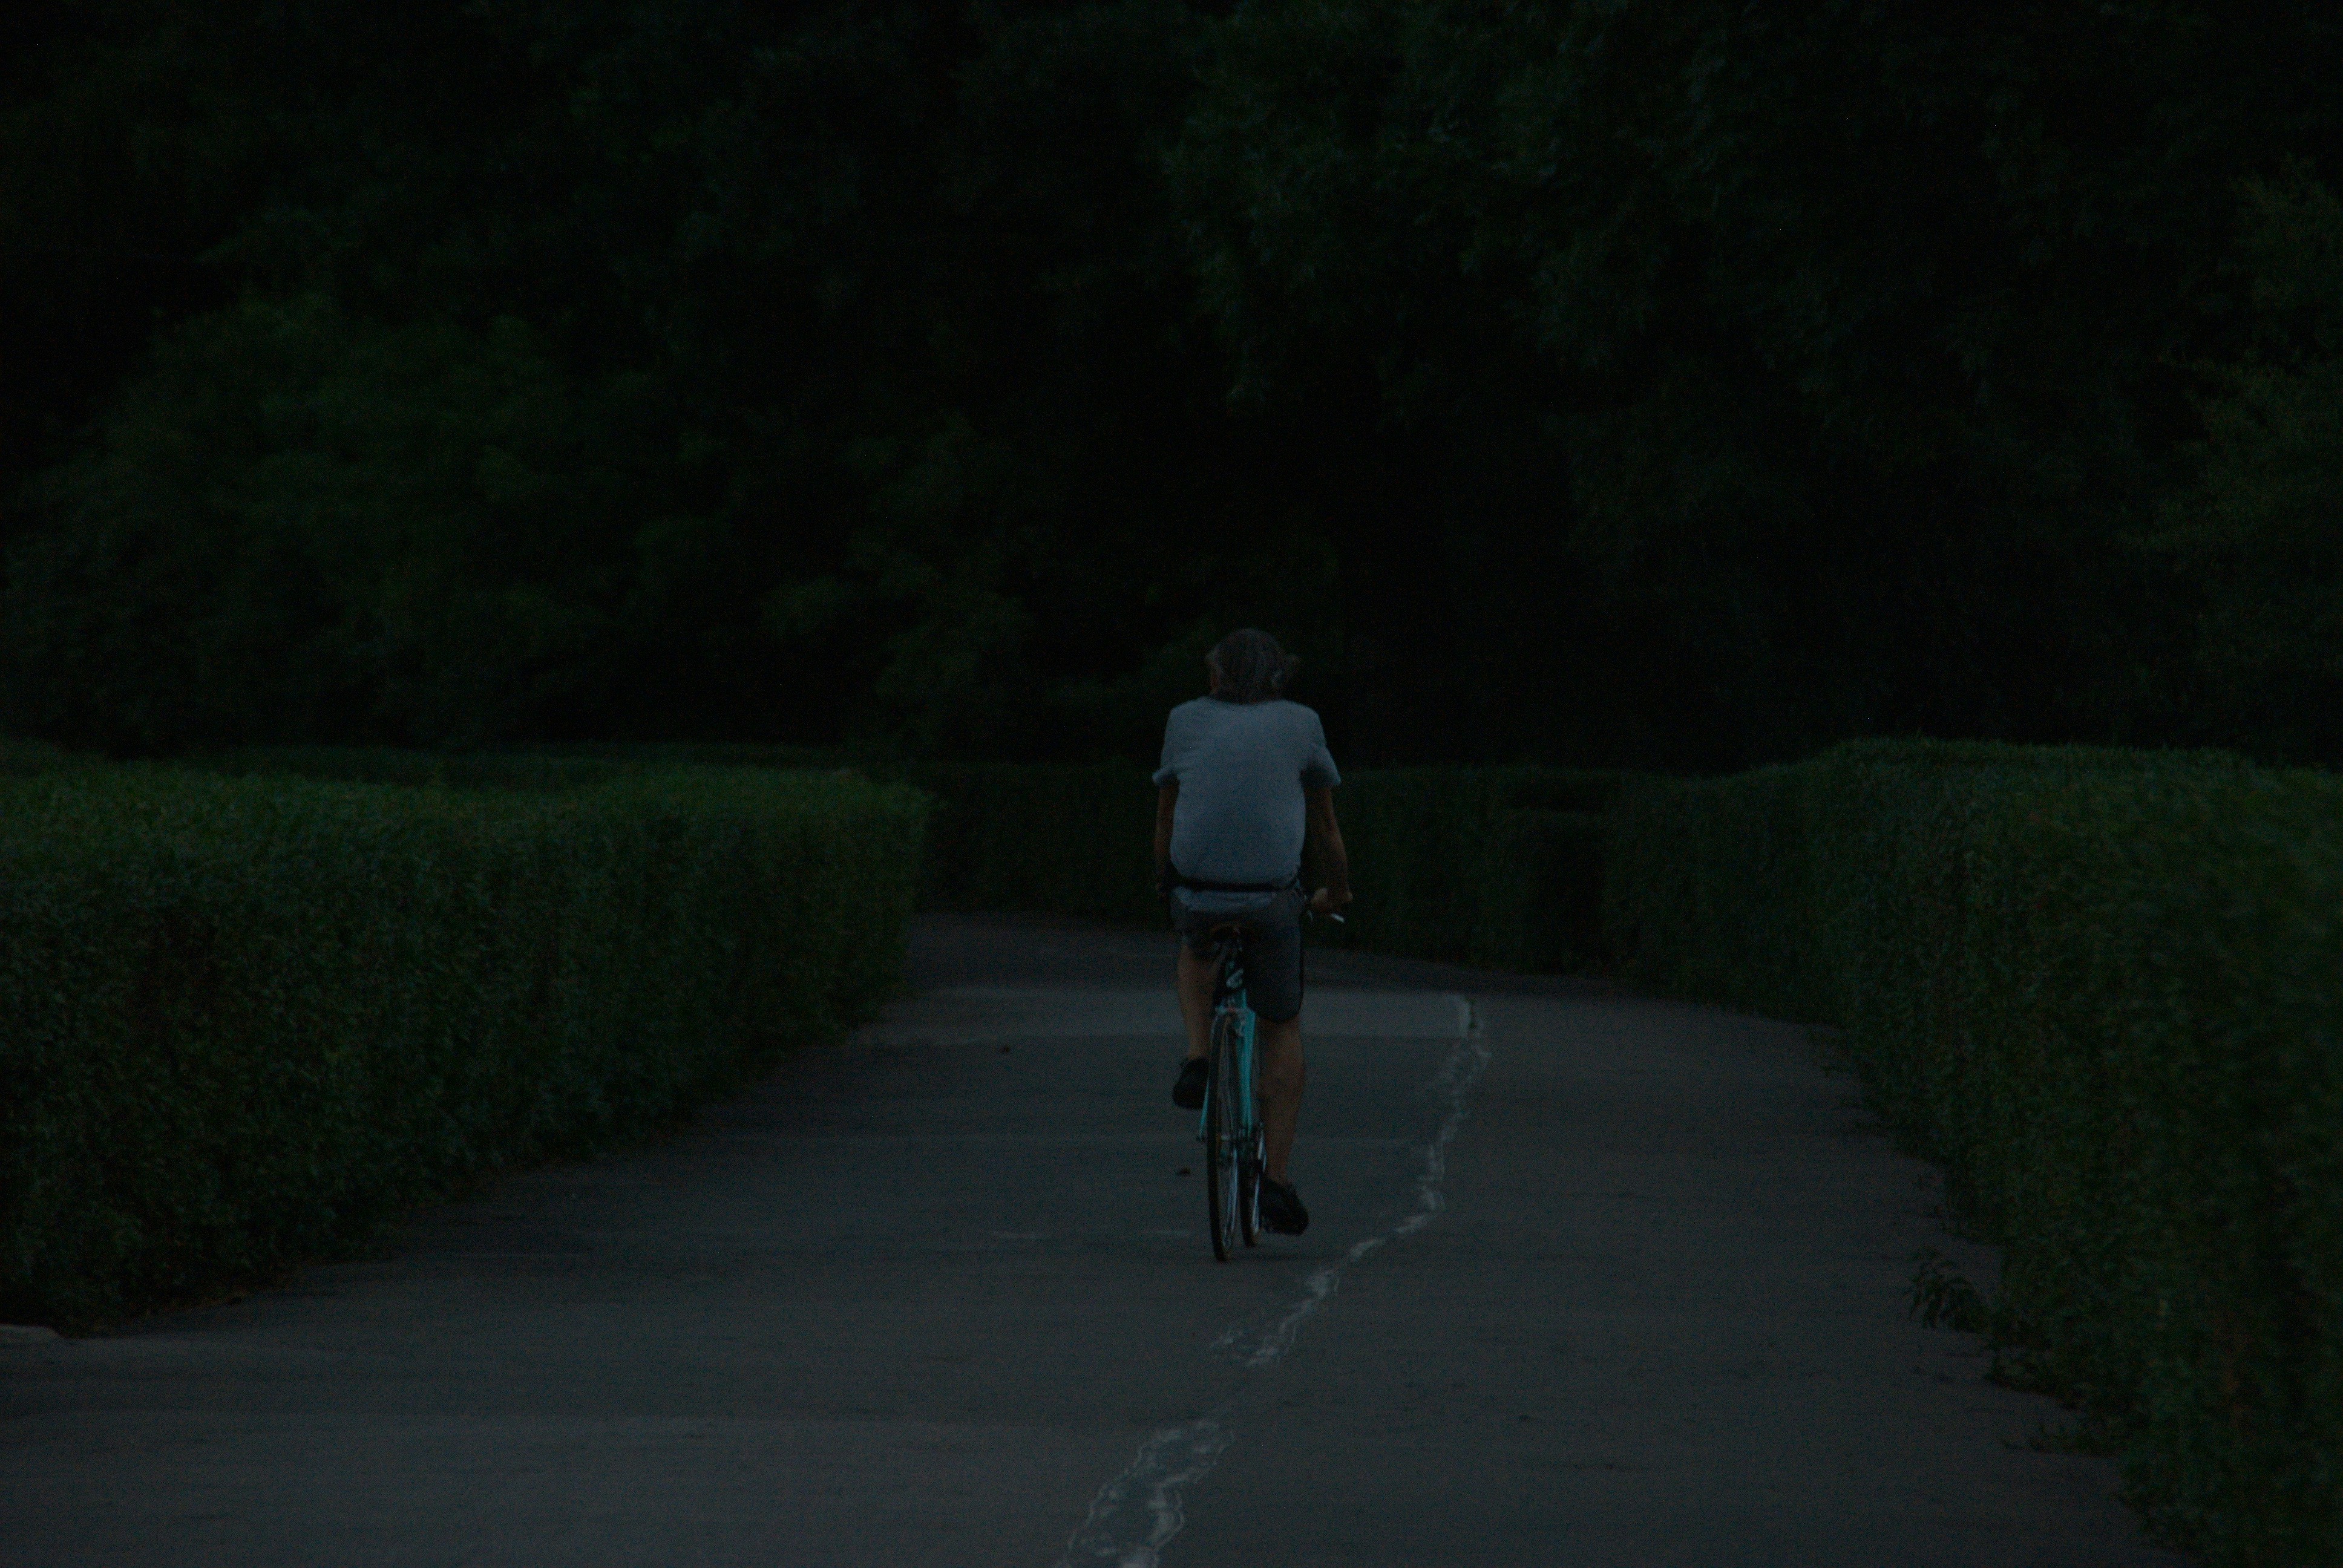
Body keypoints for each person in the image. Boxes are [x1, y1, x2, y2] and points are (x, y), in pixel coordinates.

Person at [1153, 627, 1352, 1235]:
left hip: (1199, 889)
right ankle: (1276, 1181)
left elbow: (1166, 815)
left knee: (1193, 951)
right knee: (1281, 1026)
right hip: (1270, 899)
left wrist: (1166, 885)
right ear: (1278, 679)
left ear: (1214, 677)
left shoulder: (1183, 720)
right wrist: (1336, 893)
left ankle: (1195, 1054)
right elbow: (1324, 829)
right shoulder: (1301, 723)